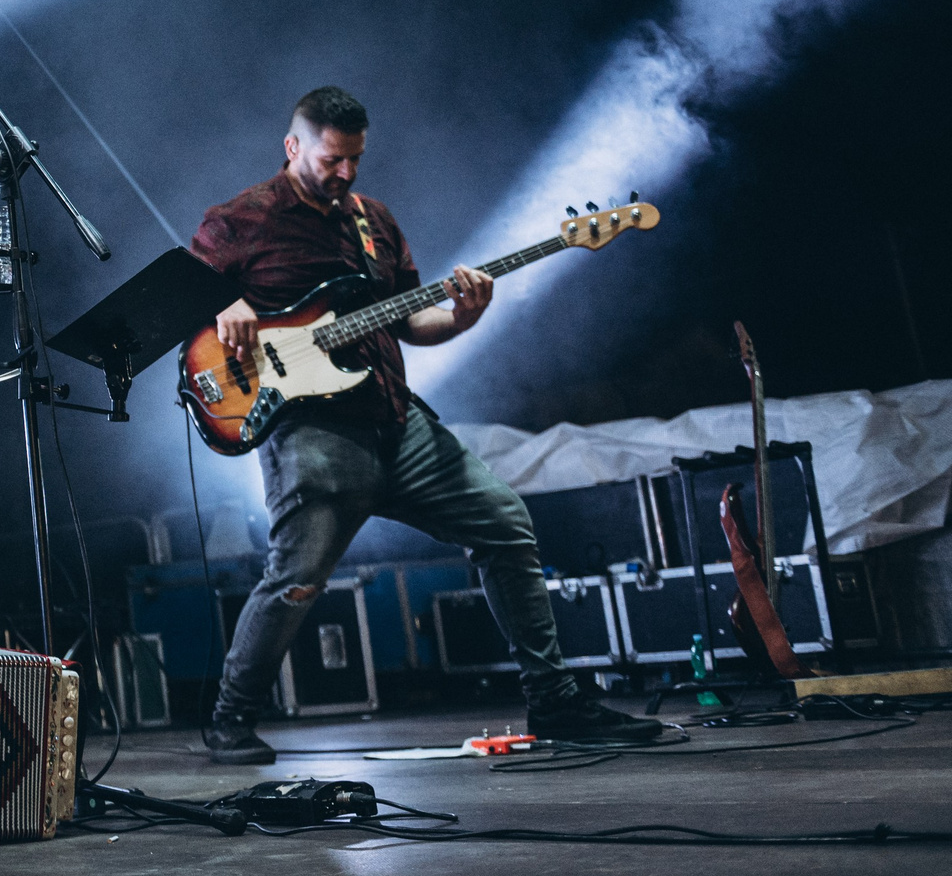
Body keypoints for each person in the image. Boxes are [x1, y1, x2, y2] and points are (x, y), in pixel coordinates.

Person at [191, 85, 661, 764]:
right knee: (296, 578)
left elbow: (410, 320)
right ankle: (231, 716)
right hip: (315, 432)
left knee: (505, 521)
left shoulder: (372, 219)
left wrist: (463, 315)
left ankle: (555, 699)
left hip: (396, 418)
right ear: (293, 146)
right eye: (331, 159)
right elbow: (180, 295)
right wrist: (224, 302)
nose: (346, 172)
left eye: (355, 158)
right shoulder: (243, 218)